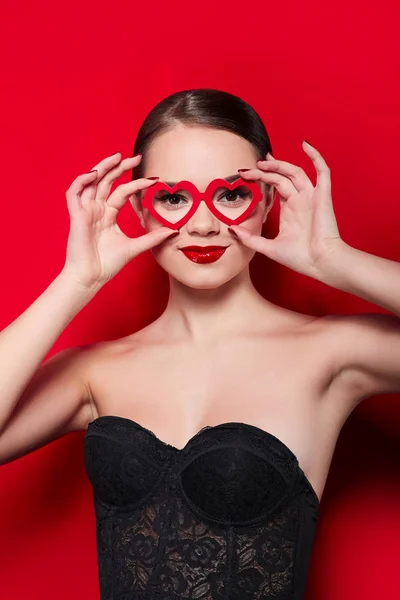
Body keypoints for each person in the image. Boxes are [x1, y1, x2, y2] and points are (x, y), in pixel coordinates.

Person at [1, 88, 400, 600]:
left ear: (268, 201)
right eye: (172, 198)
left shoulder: (329, 354)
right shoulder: (95, 372)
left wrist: (335, 259)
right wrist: (76, 282)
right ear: (141, 210)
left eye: (231, 194)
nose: (205, 224)